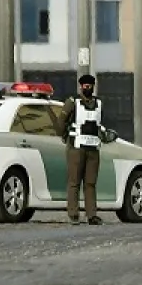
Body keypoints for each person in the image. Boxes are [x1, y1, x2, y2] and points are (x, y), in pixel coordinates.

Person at [62, 74, 104, 225]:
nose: (87, 88)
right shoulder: (72, 102)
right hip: (76, 148)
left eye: (90, 85)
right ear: (80, 86)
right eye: (85, 85)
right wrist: (66, 138)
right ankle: (73, 213)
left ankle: (91, 214)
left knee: (90, 183)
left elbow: (99, 125)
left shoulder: (98, 103)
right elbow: (61, 122)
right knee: (74, 182)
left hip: (93, 149)